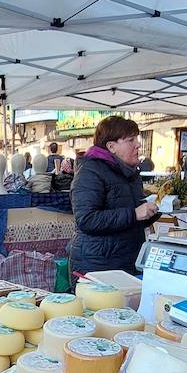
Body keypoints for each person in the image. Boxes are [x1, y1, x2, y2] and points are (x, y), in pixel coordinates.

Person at [69, 116, 160, 276]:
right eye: (131, 140)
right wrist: (134, 214)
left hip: (127, 261)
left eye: (137, 139)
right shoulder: (90, 172)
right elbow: (87, 219)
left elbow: (128, 219)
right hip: (98, 266)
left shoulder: (130, 173)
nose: (138, 144)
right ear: (111, 146)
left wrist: (151, 212)